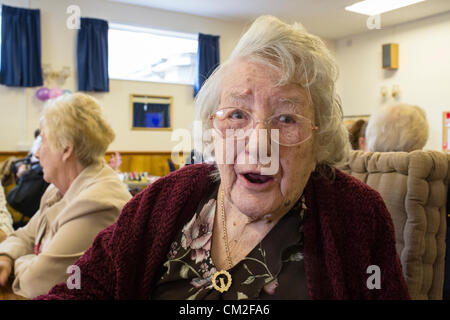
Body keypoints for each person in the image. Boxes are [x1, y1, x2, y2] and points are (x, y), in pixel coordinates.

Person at [37, 16, 409, 300]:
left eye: (286, 118)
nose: (258, 144)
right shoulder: (164, 200)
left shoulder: (356, 213)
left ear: (319, 139)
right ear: (213, 129)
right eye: (237, 114)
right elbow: (82, 289)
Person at [0, 93, 132, 298]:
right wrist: (6, 256)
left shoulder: (97, 203)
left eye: (43, 141)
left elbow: (38, 283)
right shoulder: (57, 189)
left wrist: (22, 260)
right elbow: (24, 235)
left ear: (66, 149)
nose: (36, 154)